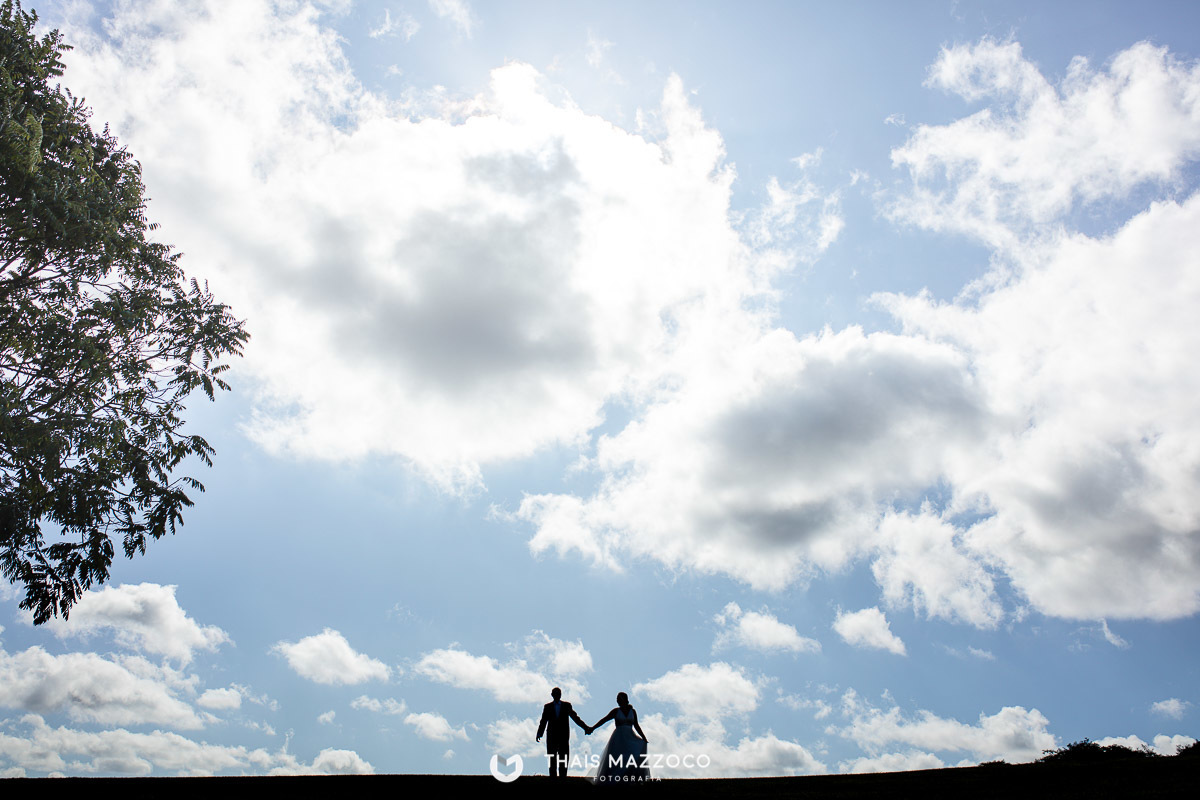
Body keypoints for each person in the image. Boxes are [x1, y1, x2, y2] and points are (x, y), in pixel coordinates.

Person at [587, 692, 651, 784]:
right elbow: (604, 720)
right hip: (618, 738)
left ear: (624, 700)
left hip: (630, 737)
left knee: (631, 756)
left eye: (619, 699)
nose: (617, 701)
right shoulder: (616, 711)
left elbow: (636, 725)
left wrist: (643, 737)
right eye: (617, 699)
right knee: (617, 758)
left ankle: (630, 777)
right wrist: (592, 728)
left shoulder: (632, 711)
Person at [536, 687, 590, 778]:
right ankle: (553, 777)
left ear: (560, 695)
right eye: (555, 693)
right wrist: (539, 733)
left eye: (558, 693)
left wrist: (585, 727)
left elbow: (575, 718)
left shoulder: (567, 706)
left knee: (563, 757)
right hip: (552, 735)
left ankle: (563, 777)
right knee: (552, 757)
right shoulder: (547, 707)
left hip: (563, 736)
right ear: (552, 695)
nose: (557, 695)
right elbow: (543, 721)